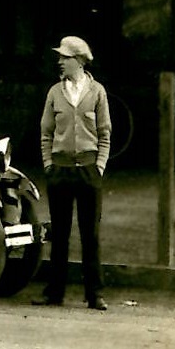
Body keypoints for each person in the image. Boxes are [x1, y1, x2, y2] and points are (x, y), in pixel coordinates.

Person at [34, 35, 112, 311]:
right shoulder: (55, 92)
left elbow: (105, 133)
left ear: (78, 61)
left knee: (90, 235)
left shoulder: (97, 92)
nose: (60, 62)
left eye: (65, 58)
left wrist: (99, 166)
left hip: (89, 172)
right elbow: (46, 133)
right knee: (61, 233)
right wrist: (48, 165)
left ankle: (95, 295)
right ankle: (54, 292)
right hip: (61, 171)